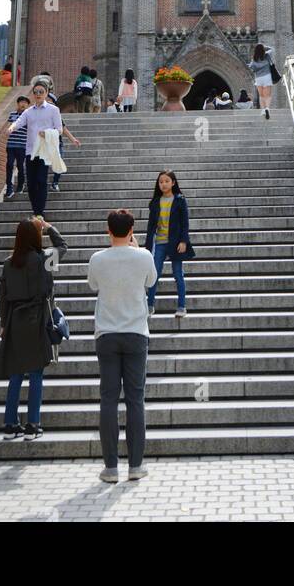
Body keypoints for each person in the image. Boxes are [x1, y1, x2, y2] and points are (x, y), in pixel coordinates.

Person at [87, 208, 157, 483]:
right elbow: (151, 282)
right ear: (131, 231)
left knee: (108, 399)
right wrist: (137, 249)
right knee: (135, 399)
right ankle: (136, 466)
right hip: (136, 332)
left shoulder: (97, 259)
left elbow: (93, 285)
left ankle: (111, 468)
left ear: (108, 230)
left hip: (106, 333)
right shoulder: (144, 256)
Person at [0, 215, 67, 440]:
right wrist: (48, 227)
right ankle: (32, 425)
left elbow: (4, 297)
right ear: (36, 237)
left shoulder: (8, 263)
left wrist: (3, 324)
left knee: (15, 374)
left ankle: (10, 424)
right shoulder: (44, 259)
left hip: (15, 321)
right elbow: (63, 246)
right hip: (37, 320)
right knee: (36, 373)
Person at [7, 81, 80, 218]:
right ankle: (36, 210)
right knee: (31, 183)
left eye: (41, 92)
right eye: (36, 92)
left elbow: (59, 129)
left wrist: (47, 133)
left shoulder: (53, 110)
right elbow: (19, 121)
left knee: (41, 180)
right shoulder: (28, 112)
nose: (38, 94)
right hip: (30, 151)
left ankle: (39, 212)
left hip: (45, 151)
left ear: (46, 93)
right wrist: (12, 128)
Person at [145, 171, 195, 319]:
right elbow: (150, 226)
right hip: (159, 242)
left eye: (167, 181)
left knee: (178, 274)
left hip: (175, 243)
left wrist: (184, 241)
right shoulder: (155, 202)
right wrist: (148, 246)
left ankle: (181, 306)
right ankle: (149, 305)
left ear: (173, 183)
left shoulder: (179, 200)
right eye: (161, 182)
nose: (163, 184)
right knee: (154, 274)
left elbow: (185, 224)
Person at [5, 95, 30, 198]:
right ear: (18, 104)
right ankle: (9, 188)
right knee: (9, 165)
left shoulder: (28, 116)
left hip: (22, 145)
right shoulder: (12, 114)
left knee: (20, 166)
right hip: (11, 144)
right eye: (21, 102)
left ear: (28, 105)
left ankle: (20, 185)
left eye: (25, 102)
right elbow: (9, 126)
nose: (23, 104)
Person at [249, 43, 275, 120]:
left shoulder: (254, 58)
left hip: (259, 78)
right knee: (268, 95)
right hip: (267, 77)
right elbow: (272, 49)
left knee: (261, 95)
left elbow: (252, 68)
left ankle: (263, 110)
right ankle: (267, 108)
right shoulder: (267, 55)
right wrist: (265, 47)